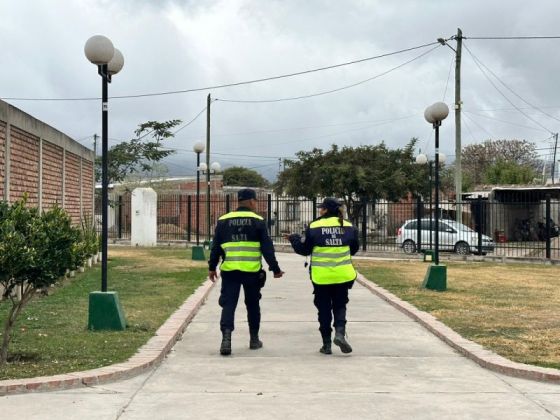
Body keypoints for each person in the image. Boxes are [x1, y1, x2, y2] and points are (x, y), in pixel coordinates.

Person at [209, 188, 284, 356]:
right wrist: (275, 269)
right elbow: (267, 248)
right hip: (251, 272)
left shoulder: (223, 220)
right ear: (251, 201)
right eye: (256, 201)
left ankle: (226, 340)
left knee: (228, 305)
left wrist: (212, 267)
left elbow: (216, 247)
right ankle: (254, 339)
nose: (256, 204)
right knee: (253, 305)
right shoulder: (258, 220)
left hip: (230, 272)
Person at [285, 197, 359, 355]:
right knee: (340, 305)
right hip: (342, 275)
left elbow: (304, 250)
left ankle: (326, 345)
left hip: (321, 277)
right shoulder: (349, 227)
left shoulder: (315, 226)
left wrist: (294, 239)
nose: (319, 210)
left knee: (324, 309)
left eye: (321, 208)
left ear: (325, 210)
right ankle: (339, 333)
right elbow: (353, 249)